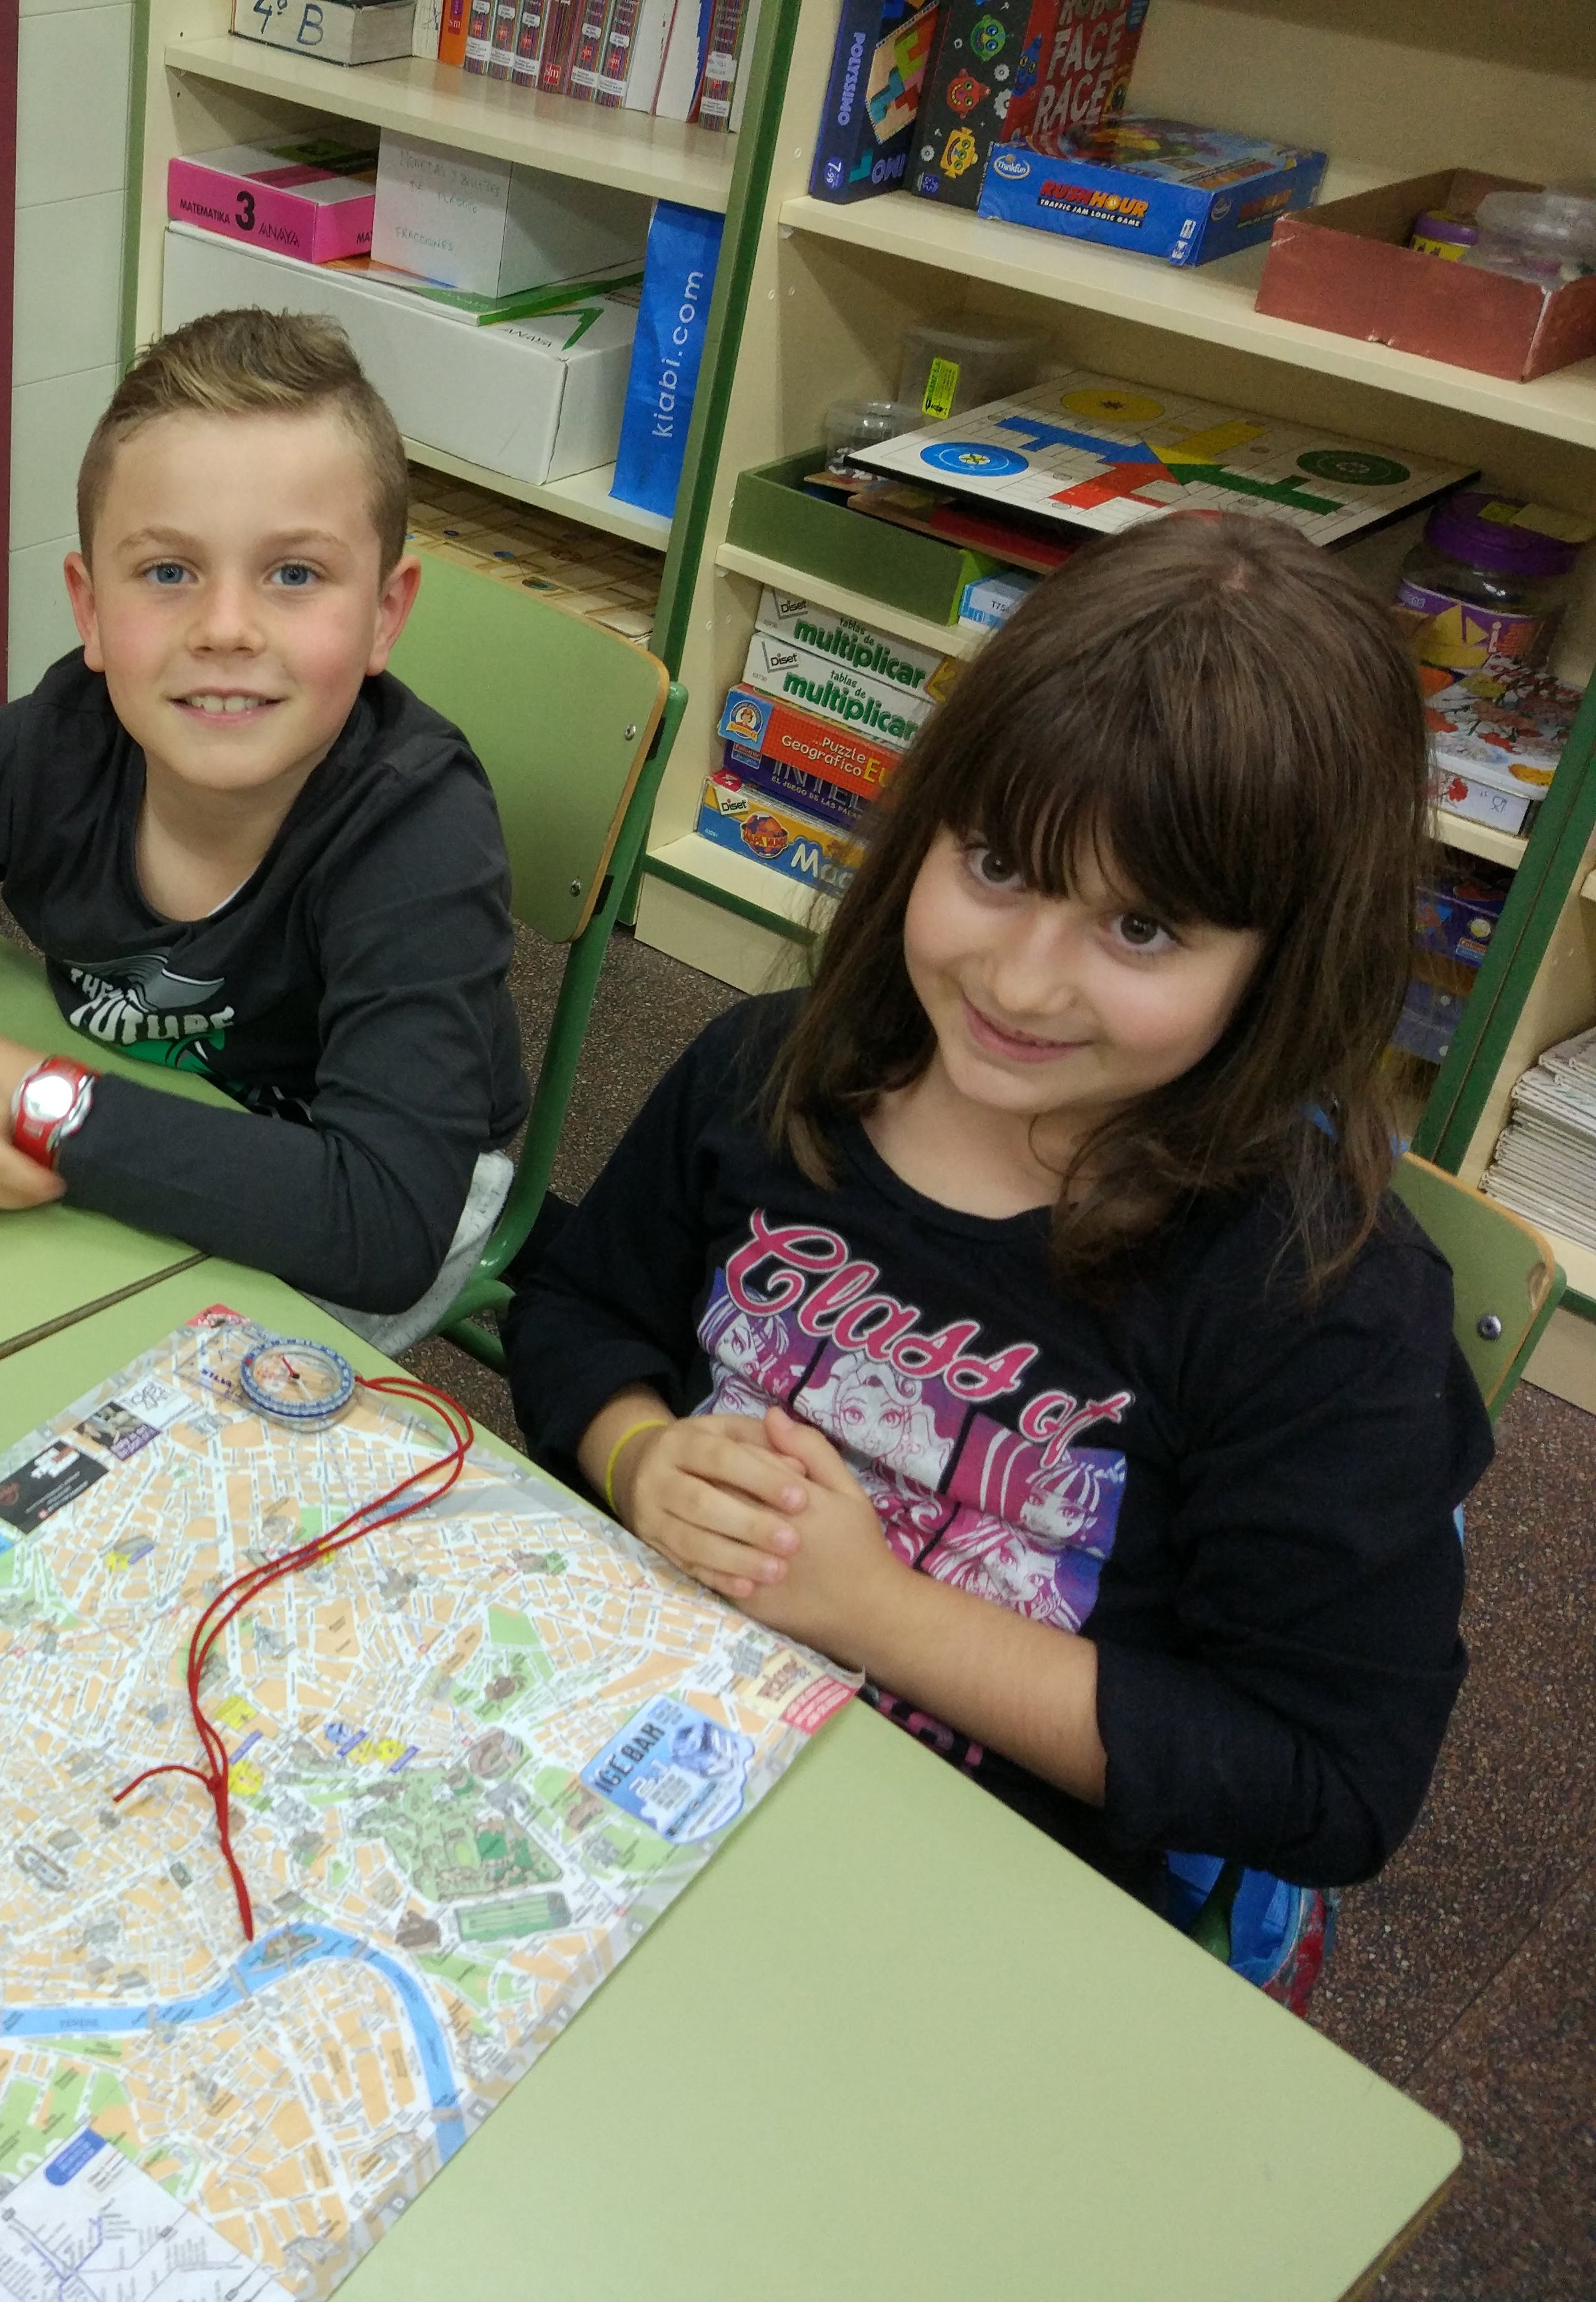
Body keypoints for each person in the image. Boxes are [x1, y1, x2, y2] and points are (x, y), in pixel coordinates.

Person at [505, 513, 1485, 2006]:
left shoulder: (1323, 1306)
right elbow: (581, 1306)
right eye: (999, 864)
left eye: (1141, 928)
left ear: (1284, 961)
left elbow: (1326, 1781)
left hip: (975, 1905)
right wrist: (639, 1457)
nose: (1022, 982)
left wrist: (872, 1610)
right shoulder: (770, 1072)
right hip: (643, 1738)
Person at [0, 310, 527, 1351]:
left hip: (368, 1193)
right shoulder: (57, 746)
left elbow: (382, 1225)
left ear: (385, 615)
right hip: (117, 1132)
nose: (225, 629)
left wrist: (42, 1103)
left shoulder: (419, 829)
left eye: (294, 574)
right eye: (168, 573)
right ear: (90, 610)